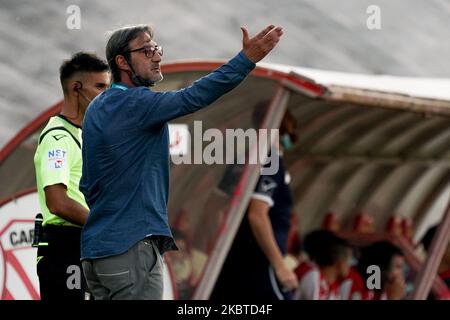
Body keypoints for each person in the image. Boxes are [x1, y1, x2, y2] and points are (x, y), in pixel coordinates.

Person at [79, 24, 284, 300]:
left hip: (96, 256)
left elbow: (88, 185)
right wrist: (246, 60)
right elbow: (194, 95)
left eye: (157, 49)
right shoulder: (138, 104)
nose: (157, 56)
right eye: (147, 50)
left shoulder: (97, 108)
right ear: (121, 61)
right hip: (130, 251)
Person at [33, 52, 110, 300]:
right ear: (77, 88)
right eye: (100, 87)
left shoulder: (83, 133)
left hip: (84, 244)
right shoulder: (58, 137)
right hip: (64, 245)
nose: (106, 94)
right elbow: (57, 202)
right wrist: (105, 224)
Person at [210, 109, 298, 301]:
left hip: (232, 258)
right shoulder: (271, 160)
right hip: (260, 263)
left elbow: (216, 207)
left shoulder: (242, 159)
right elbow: (257, 214)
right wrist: (280, 266)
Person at [294, 230, 352, 300]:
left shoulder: (334, 287)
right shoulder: (312, 273)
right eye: (348, 260)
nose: (350, 265)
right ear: (340, 262)